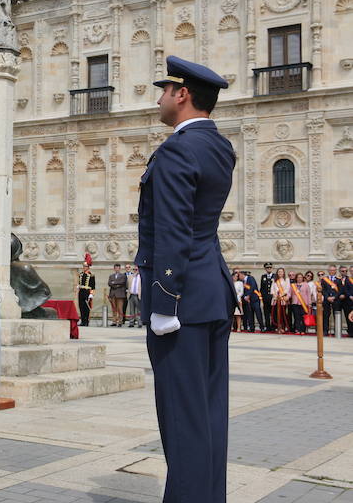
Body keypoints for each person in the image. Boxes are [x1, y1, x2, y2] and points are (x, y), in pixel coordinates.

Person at [135, 56, 235, 503]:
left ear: (183, 95)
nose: (159, 98)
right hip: (211, 292)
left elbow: (173, 230)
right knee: (210, 414)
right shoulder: (219, 146)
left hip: (182, 302)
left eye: (164, 90)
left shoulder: (177, 149)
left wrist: (163, 302)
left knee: (183, 418)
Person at [320, 265, 341, 336]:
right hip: (326, 300)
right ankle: (325, 331)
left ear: (336, 271)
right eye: (331, 270)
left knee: (336, 316)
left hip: (336, 300)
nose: (332, 271)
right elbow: (323, 290)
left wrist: (334, 297)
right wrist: (327, 297)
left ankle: (337, 331)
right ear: (328, 271)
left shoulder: (339, 279)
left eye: (333, 270)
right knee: (326, 315)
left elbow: (340, 290)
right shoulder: (324, 279)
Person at [270, 267, 290, 334]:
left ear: (284, 272)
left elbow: (287, 289)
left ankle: (283, 327)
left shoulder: (286, 280)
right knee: (275, 314)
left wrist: (281, 295)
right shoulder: (275, 280)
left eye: (281, 272)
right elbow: (272, 289)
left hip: (282, 299)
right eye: (279, 272)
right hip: (276, 299)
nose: (280, 273)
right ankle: (277, 327)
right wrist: (275, 295)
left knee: (282, 314)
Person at [260, 263, 275, 332]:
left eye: (270, 268)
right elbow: (262, 288)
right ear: (265, 269)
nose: (269, 269)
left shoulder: (275, 276)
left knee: (273, 313)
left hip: (272, 298)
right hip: (266, 298)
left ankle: (273, 326)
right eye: (267, 268)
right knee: (266, 313)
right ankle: (267, 326)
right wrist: (262, 297)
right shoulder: (263, 276)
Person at [340, 266, 353, 338]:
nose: (352, 272)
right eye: (351, 271)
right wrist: (350, 296)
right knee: (349, 317)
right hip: (349, 301)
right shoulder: (348, 280)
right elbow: (345, 290)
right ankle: (351, 332)